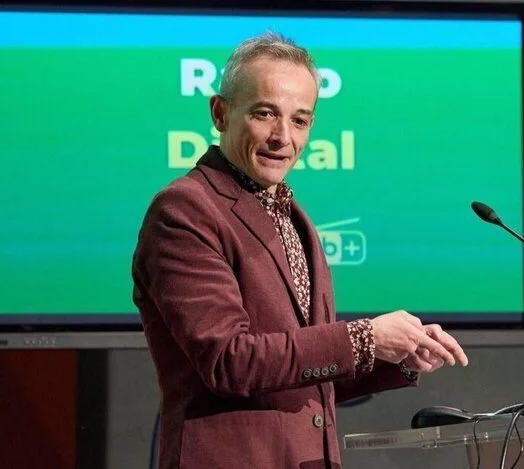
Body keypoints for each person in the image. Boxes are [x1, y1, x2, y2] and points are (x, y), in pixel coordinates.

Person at [132, 32, 468, 469]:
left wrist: (392, 357)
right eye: (265, 113)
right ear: (220, 113)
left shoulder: (292, 216)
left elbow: (303, 376)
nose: (282, 137)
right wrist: (364, 337)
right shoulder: (185, 210)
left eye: (300, 120)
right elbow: (229, 362)